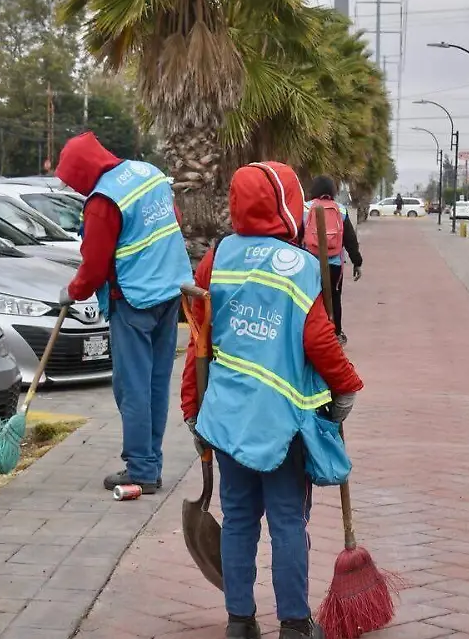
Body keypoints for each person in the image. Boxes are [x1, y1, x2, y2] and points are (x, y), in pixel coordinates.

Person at [181, 161, 363, 639]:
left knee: (238, 518)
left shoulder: (217, 257)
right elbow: (319, 340)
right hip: (283, 424)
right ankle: (295, 625)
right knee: (287, 521)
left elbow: (199, 340)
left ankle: (240, 622)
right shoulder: (300, 266)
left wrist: (191, 407)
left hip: (227, 417)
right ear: (286, 203)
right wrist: (346, 386)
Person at [56, 132, 192, 494]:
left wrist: (73, 292)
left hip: (134, 300)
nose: (75, 188)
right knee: (156, 383)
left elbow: (94, 266)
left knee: (132, 388)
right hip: (170, 292)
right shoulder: (148, 173)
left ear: (81, 171)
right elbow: (173, 221)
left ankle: (141, 469)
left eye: (72, 180)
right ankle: (152, 464)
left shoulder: (103, 201)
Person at [303, 176, 363, 345]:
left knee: (309, 299)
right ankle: (336, 334)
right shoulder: (341, 210)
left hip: (309, 263)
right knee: (334, 298)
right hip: (334, 265)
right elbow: (350, 240)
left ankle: (307, 334)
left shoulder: (305, 208)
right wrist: (357, 262)